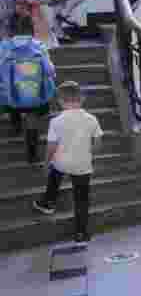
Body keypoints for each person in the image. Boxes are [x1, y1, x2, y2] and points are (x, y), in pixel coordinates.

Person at [32, 82, 103, 243]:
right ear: (82, 99)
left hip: (61, 163)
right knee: (82, 199)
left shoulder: (56, 121)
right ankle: (81, 233)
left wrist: (45, 163)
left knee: (55, 172)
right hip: (82, 165)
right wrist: (91, 155)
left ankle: (48, 203)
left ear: (60, 101)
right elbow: (98, 143)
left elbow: (51, 146)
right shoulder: (92, 119)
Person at [3, 16, 56, 165]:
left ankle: (16, 123)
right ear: (31, 28)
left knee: (7, 92)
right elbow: (49, 71)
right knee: (33, 113)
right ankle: (32, 155)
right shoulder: (39, 45)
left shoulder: (4, 46)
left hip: (11, 96)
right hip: (34, 95)